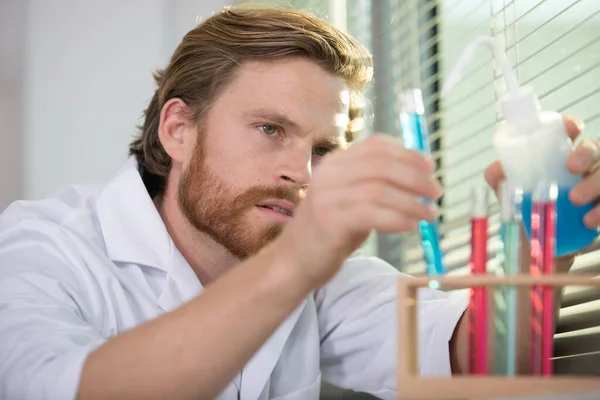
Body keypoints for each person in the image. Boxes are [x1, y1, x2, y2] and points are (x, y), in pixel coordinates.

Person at [0, 6, 598, 400]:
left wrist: (542, 237)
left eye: (323, 148)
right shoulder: (43, 249)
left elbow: (478, 364)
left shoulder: (321, 277)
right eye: (269, 129)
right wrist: (297, 264)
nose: (301, 171)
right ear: (178, 128)